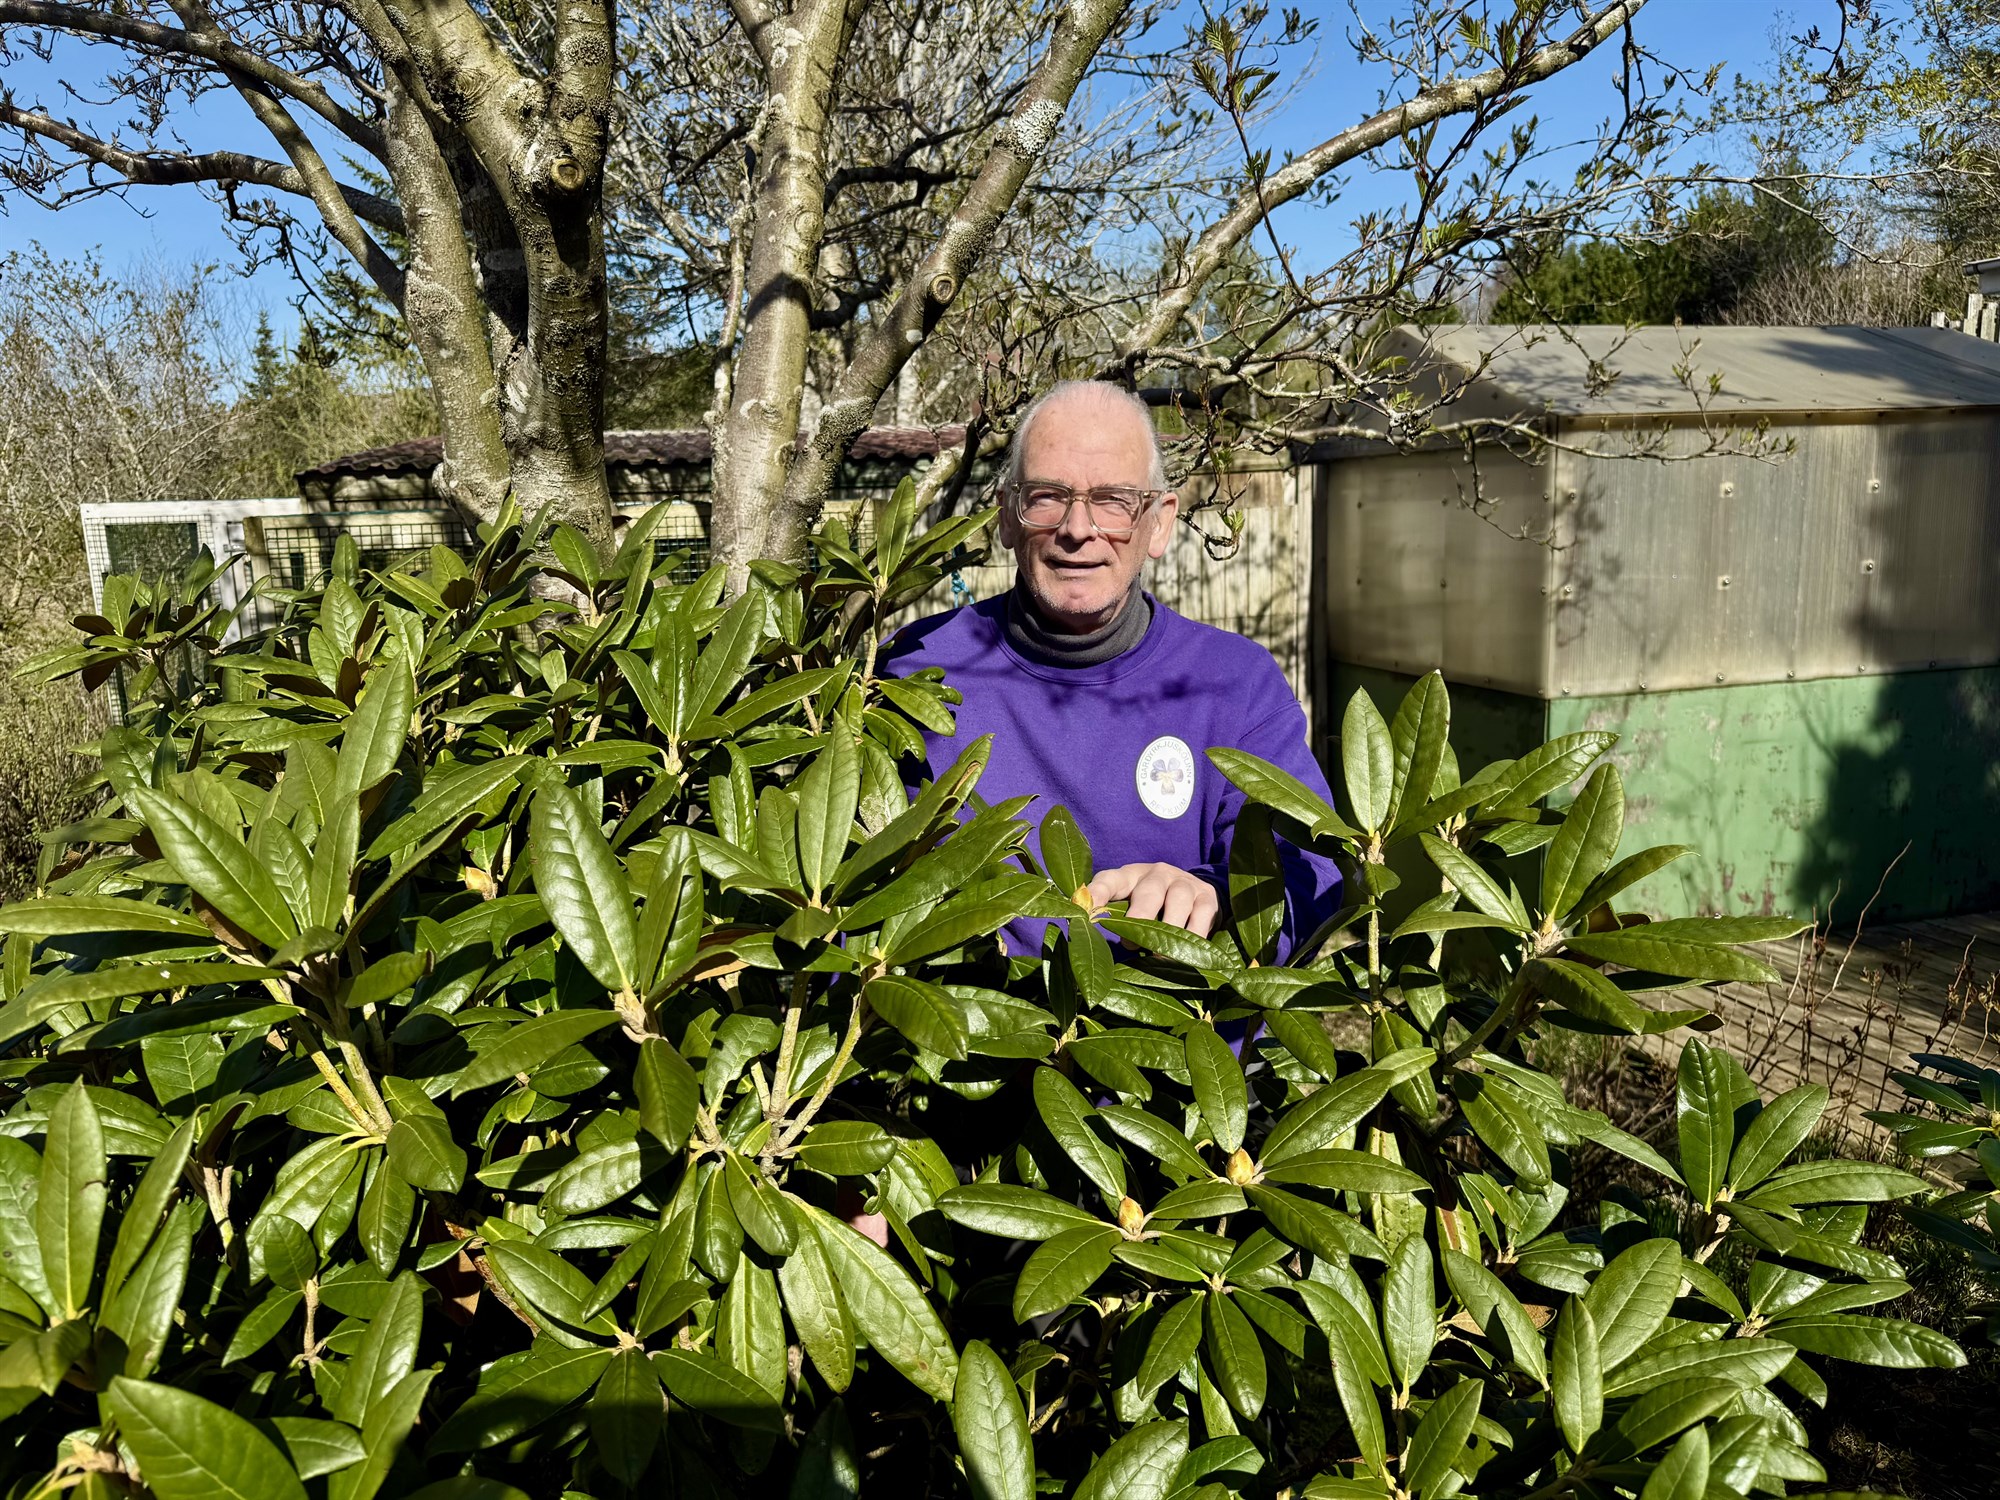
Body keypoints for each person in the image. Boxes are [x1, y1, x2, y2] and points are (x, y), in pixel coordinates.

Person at [882, 380, 1340, 955]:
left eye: (1114, 501)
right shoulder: (919, 667)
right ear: (1005, 516)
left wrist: (1218, 900)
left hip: (1176, 1033)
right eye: (1047, 495)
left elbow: (1312, 874)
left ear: (1159, 522)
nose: (1078, 529)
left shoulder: (1235, 685)